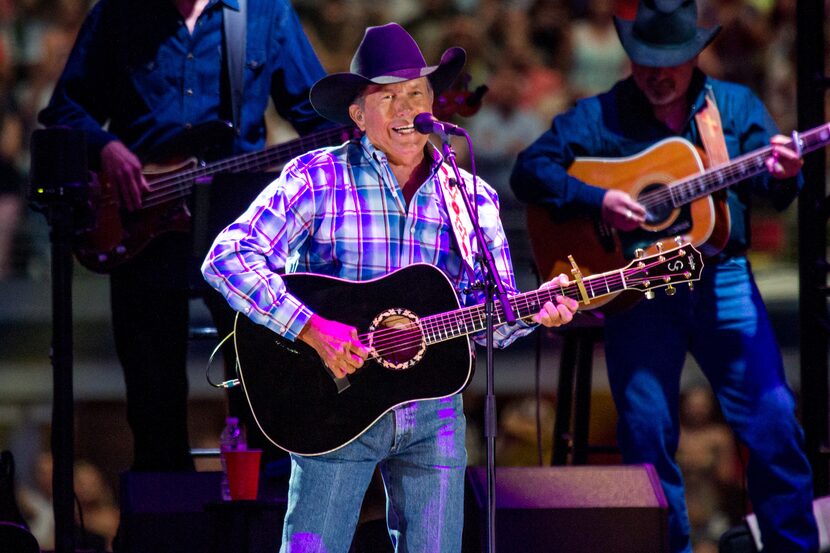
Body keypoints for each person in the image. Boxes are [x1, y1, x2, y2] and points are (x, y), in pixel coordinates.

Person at [202, 22, 579, 552]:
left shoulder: (471, 196)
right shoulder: (316, 177)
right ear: (358, 114)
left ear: (434, 103)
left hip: (434, 408)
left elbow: (486, 318)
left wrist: (536, 311)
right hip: (331, 402)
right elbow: (227, 258)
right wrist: (310, 327)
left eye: (416, 94)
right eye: (387, 96)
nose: (406, 110)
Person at [509, 0, 819, 551]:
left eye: (670, 60)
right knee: (647, 433)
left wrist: (787, 174)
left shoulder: (733, 107)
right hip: (640, 292)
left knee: (772, 419)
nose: (657, 74)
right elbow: (529, 169)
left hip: (720, 280)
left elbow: (771, 197)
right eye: (646, 59)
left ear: (694, 55)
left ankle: (792, 547)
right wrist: (597, 198)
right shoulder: (602, 115)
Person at [38, 0, 332, 472]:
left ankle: (262, 529)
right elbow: (64, 109)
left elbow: (318, 118)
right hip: (140, 220)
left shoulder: (264, 13)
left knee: (264, 395)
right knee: (153, 407)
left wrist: (367, 123)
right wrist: (107, 147)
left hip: (240, 228)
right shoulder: (117, 14)